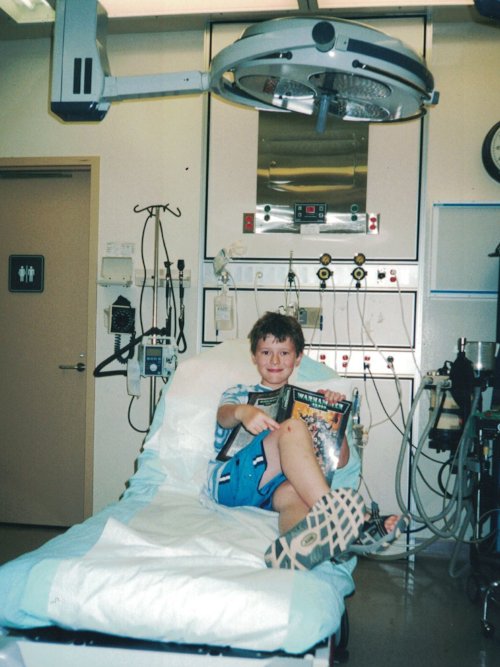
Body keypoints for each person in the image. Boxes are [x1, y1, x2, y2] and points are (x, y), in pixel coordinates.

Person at [207, 311, 407, 570]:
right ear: (254, 356)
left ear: (298, 357)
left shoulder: (309, 402)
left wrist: (332, 416)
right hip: (230, 482)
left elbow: (341, 460)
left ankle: (300, 548)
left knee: (295, 494)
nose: (275, 360)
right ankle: (351, 521)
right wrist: (242, 411)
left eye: (285, 353)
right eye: (266, 352)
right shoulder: (241, 393)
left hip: (271, 490)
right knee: (292, 428)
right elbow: (223, 417)